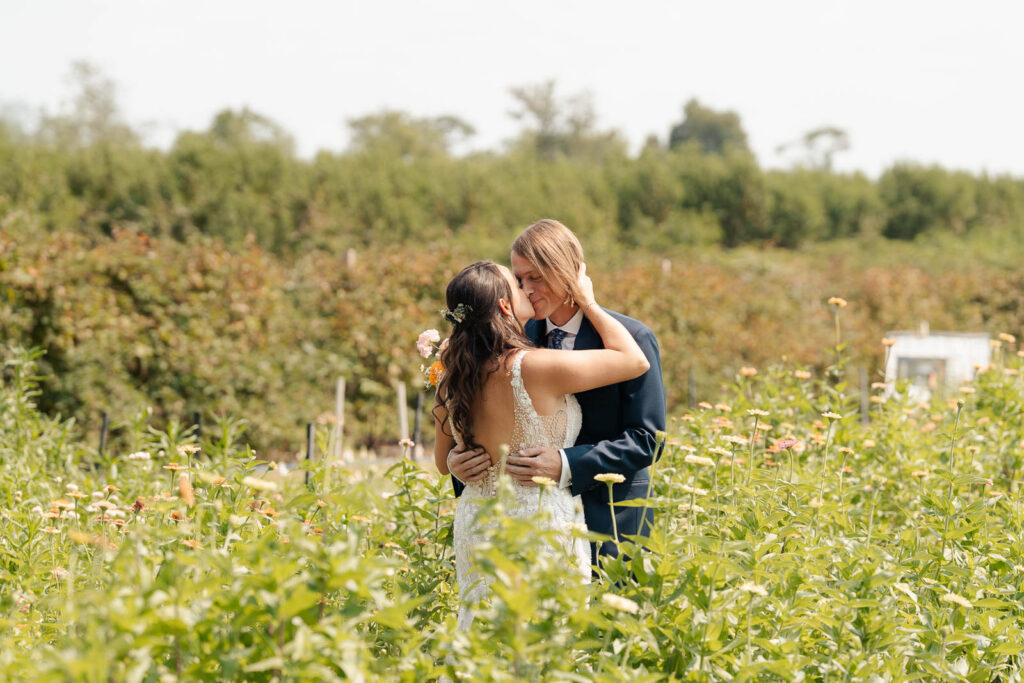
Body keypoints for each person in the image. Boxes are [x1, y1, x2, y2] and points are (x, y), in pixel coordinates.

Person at [433, 259, 650, 629]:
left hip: (477, 524)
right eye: (517, 285)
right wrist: (589, 302)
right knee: (546, 636)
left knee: (482, 634)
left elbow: (442, 462)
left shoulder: (451, 376)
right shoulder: (535, 367)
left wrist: (456, 462)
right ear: (504, 306)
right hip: (538, 523)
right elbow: (633, 360)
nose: (527, 289)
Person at [448, 219, 666, 565]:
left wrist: (566, 464)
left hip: (612, 523)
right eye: (519, 280)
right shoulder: (511, 338)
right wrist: (460, 464)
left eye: (535, 277)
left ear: (567, 272)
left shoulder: (632, 338)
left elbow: (647, 439)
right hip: (526, 533)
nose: (526, 288)